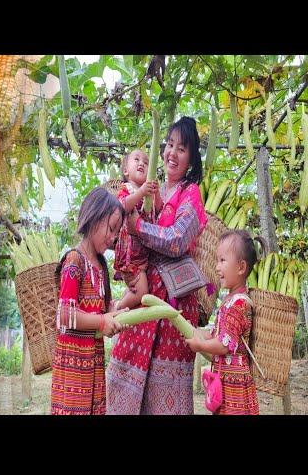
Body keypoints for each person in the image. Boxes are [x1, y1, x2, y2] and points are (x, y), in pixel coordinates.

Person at [106, 116, 207, 415]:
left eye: (182, 149)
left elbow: (177, 239)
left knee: (166, 387)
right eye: (169, 145)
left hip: (174, 301)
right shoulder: (153, 188)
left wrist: (139, 228)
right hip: (147, 297)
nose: (172, 153)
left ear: (191, 159)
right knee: (125, 372)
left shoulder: (191, 193)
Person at [51, 186, 129, 415]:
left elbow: (103, 310)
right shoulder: (75, 261)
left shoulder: (102, 266)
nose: (113, 237)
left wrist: (118, 312)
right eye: (111, 228)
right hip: (73, 366)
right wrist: (102, 321)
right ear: (94, 217)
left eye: (117, 232)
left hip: (92, 363)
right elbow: (65, 315)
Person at [185, 230, 264, 415]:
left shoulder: (239, 304)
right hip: (227, 381)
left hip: (234, 385)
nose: (217, 267)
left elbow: (223, 344)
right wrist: (196, 332)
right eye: (217, 260)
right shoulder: (229, 300)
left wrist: (200, 344)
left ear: (240, 267)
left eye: (222, 260)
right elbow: (219, 333)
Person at [113, 149, 162, 310]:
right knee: (141, 293)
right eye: (136, 159)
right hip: (130, 256)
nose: (142, 163)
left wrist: (157, 193)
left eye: (146, 162)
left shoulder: (148, 193)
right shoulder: (126, 188)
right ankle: (117, 308)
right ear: (126, 170)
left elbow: (159, 209)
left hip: (143, 257)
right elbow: (122, 206)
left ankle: (122, 305)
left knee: (134, 288)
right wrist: (141, 192)